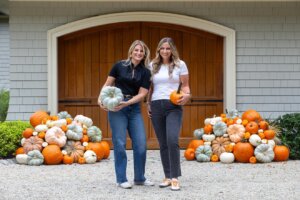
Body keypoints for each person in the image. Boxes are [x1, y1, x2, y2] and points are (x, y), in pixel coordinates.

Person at [98, 40, 154, 189]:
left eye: (141, 51)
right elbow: (107, 84)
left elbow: (142, 94)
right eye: (136, 50)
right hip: (117, 107)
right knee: (120, 143)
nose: (138, 53)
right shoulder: (119, 66)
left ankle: (140, 178)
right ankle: (121, 179)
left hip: (133, 108)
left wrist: (127, 103)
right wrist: (100, 99)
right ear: (131, 52)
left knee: (141, 143)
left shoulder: (146, 72)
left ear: (144, 54)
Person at [147, 37, 191, 191]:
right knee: (163, 143)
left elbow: (185, 87)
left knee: (172, 140)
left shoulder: (180, 65)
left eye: (168, 48)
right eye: (162, 48)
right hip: (156, 105)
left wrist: (186, 96)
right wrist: (148, 103)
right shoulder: (152, 65)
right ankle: (167, 176)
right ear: (159, 50)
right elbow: (151, 87)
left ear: (172, 50)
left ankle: (175, 177)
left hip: (173, 105)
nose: (165, 51)